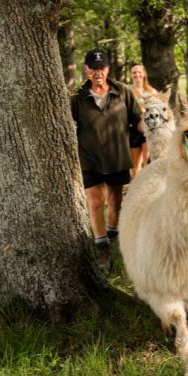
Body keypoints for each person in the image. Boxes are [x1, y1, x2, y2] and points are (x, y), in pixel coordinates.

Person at [70, 48, 142, 267]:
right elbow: (68, 127)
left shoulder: (123, 91)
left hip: (117, 157)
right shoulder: (77, 96)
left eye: (101, 68)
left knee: (115, 202)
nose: (97, 72)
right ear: (86, 70)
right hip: (89, 158)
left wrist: (155, 127)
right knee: (95, 201)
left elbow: (138, 119)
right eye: (93, 68)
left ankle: (112, 236)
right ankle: (101, 247)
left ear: (108, 69)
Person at [128, 64, 156, 177]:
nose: (137, 74)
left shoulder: (152, 91)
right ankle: (136, 188)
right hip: (132, 129)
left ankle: (149, 189)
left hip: (148, 129)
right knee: (135, 164)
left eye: (139, 72)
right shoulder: (127, 91)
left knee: (148, 161)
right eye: (134, 72)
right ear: (131, 75)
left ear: (144, 74)